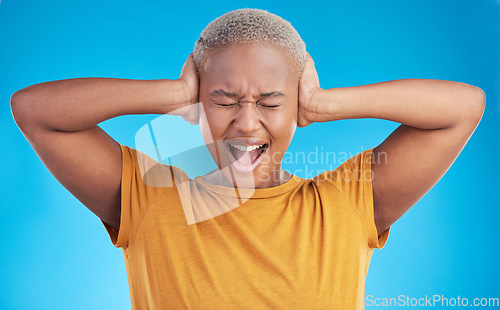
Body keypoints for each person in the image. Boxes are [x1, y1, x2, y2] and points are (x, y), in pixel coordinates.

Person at [10, 8, 485, 310]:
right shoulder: (150, 195)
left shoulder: (346, 203)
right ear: (199, 102)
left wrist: (322, 104)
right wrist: (174, 93)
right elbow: (35, 110)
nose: (247, 122)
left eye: (271, 102)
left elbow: (462, 108)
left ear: (296, 105)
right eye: (223, 99)